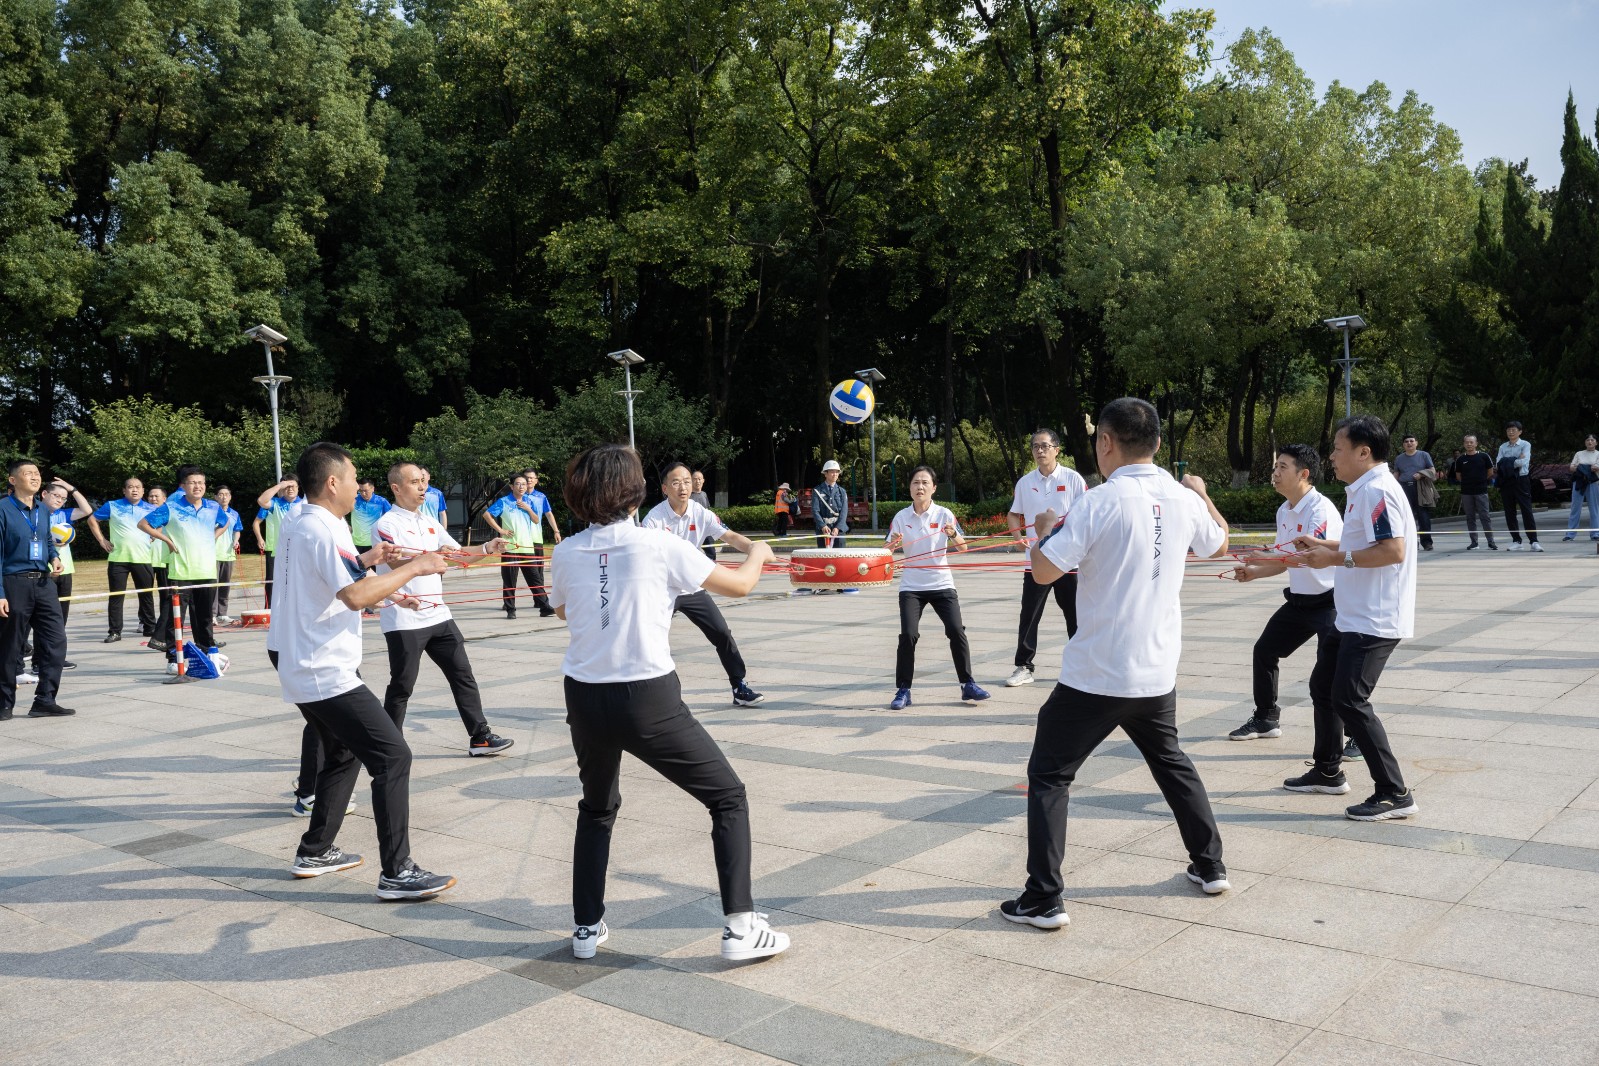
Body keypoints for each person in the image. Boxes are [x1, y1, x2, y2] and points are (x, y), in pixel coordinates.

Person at [549, 443, 789, 961]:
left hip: (584, 698)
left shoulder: (565, 552)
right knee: (727, 797)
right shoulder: (659, 544)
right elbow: (740, 586)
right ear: (635, 493)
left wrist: (606, 595)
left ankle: (586, 928)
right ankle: (741, 928)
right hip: (647, 699)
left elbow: (566, 611)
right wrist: (759, 553)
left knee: (597, 807)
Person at [1001, 399, 1231, 930]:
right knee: (1171, 762)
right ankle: (1210, 864)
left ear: (1106, 442)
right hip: (1156, 670)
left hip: (1098, 673)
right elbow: (1219, 545)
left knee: (1050, 774)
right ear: (1156, 443)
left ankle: (1043, 897)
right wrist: (1203, 495)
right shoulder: (1181, 498)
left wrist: (1044, 529)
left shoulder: (1099, 501)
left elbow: (1043, 571)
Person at [271, 441, 456, 900]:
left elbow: (336, 577)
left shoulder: (301, 522)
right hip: (323, 667)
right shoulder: (323, 528)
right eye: (354, 479)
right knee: (393, 757)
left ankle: (315, 851)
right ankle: (397, 872)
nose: (360, 487)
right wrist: (416, 567)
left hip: (299, 658)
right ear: (333, 482)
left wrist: (371, 564)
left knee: (343, 753)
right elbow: (354, 596)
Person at [1282, 415, 1420, 821]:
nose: (1332, 456)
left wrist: (1334, 558)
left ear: (1364, 452)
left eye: (1338, 449)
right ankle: (1327, 771)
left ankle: (1394, 793)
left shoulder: (1378, 490)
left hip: (1375, 617)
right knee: (1323, 687)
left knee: (1350, 699)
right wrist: (1325, 545)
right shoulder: (1363, 490)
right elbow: (1362, 541)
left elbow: (1393, 550)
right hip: (1352, 615)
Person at [374, 461, 515, 755]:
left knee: (463, 675)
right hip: (405, 618)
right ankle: (388, 747)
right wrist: (432, 555)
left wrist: (487, 548)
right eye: (415, 482)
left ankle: (480, 737)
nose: (422, 487)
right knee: (402, 686)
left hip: (439, 615)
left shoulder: (430, 522)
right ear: (396, 488)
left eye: (424, 481)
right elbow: (396, 563)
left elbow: (458, 555)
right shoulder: (386, 524)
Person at [1225, 445, 1349, 755]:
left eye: (1282, 467)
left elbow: (1308, 557)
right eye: (1275, 466)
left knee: (1332, 672)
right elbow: (1284, 561)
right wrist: (1254, 572)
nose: (1275, 473)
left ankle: (1357, 734)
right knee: (1265, 651)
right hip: (1299, 602)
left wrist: (1261, 557)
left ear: (1303, 474)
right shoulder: (1284, 510)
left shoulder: (1320, 509)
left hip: (1332, 602)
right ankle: (1266, 718)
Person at [643, 462, 766, 707]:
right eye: (676, 482)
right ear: (665, 488)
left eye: (687, 481)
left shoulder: (700, 512)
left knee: (722, 633)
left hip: (692, 587)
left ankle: (739, 686)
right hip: (662, 589)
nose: (683, 487)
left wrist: (754, 548)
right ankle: (650, 696)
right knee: (649, 639)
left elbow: (730, 537)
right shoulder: (653, 520)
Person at [884, 466, 990, 710]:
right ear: (910, 488)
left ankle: (967, 684)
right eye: (915, 482)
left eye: (925, 482)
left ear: (933, 488)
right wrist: (893, 544)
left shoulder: (944, 514)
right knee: (908, 635)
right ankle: (903, 690)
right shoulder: (901, 517)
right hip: (911, 586)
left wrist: (953, 534)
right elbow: (886, 551)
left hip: (941, 583)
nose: (920, 487)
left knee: (956, 630)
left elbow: (963, 547)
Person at [1004, 428, 1086, 688]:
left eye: (1045, 446)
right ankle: (1024, 666)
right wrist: (1017, 536)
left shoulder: (1073, 479)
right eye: (1035, 446)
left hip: (1067, 561)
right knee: (1029, 614)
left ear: (1056, 450)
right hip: (1036, 560)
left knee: (1075, 614)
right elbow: (1014, 514)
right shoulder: (1024, 483)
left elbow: (1086, 514)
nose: (1039, 450)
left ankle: (1082, 665)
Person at [1, 460, 72, 721]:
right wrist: (0, 593)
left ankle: (45, 700)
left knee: (56, 641)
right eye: (28, 473)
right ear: (13, 480)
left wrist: (54, 557)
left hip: (43, 583)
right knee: (10, 646)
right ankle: (4, 703)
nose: (35, 477)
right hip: (14, 583)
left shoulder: (43, 509)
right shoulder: (3, 509)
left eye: (37, 473)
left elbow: (45, 540)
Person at [140, 467, 230, 669]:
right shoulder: (171, 507)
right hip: (181, 572)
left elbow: (225, 523)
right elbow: (144, 524)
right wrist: (166, 540)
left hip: (206, 571)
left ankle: (206, 654)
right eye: (192, 483)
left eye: (201, 483)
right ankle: (174, 659)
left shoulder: (213, 506)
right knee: (176, 620)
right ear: (183, 486)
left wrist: (213, 537)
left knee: (205, 618)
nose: (197, 486)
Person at [17, 480, 91, 682]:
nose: (60, 500)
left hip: (64, 570)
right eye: (56, 496)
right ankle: (21, 662)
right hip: (41, 572)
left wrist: (72, 489)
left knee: (58, 619)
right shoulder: (33, 514)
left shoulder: (63, 515)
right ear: (44, 494)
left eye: (63, 498)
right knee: (31, 620)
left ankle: (47, 660)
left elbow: (87, 510)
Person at [87, 477, 156, 642]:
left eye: (138, 487)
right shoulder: (113, 505)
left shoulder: (151, 508)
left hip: (143, 558)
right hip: (118, 558)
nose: (134, 490)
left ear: (143, 491)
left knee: (146, 595)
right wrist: (101, 540)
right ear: (124, 490)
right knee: (116, 596)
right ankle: (115, 631)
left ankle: (150, 628)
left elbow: (163, 522)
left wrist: (154, 535)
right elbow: (92, 519)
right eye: (130, 487)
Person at [486, 472, 557, 619]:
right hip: (510, 547)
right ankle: (510, 609)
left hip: (527, 547)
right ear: (512, 486)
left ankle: (544, 607)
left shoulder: (529, 501)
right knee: (510, 580)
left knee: (535, 579)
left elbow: (536, 520)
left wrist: (528, 508)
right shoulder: (504, 501)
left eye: (524, 484)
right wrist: (501, 530)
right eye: (518, 484)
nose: (521, 487)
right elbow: (487, 515)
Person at [255, 478, 303, 608]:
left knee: (298, 582)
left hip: (300, 552)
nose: (290, 489)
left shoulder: (305, 504)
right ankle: (271, 608)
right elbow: (261, 501)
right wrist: (279, 485)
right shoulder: (275, 503)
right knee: (275, 582)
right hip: (279, 551)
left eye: (293, 486)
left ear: (298, 487)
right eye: (287, 486)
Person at [1495, 421, 1542, 552]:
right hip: (1506, 481)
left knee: (1527, 511)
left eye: (1513, 430)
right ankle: (1516, 540)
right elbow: (1498, 464)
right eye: (1508, 430)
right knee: (1509, 512)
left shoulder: (1525, 444)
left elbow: (1524, 462)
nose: (1511, 432)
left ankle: (1534, 541)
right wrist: (1514, 460)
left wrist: (1507, 461)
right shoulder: (1502, 446)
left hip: (1521, 480)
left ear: (1520, 432)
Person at [1450, 435, 1498, 550]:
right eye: (1467, 442)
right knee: (1470, 517)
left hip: (1481, 491)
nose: (1469, 444)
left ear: (1476, 443)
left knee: (1485, 516)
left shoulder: (1484, 456)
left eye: (1471, 442)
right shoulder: (1460, 459)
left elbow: (1490, 472)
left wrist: (1481, 481)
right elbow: (1458, 476)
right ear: (1464, 444)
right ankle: (1474, 542)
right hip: (1466, 492)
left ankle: (1491, 541)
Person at [1393, 434, 1437, 551]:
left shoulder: (1424, 455)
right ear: (1403, 445)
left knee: (1423, 516)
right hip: (1404, 488)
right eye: (1406, 441)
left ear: (1416, 443)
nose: (1409, 443)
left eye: (1412, 441)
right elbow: (1396, 474)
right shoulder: (1399, 458)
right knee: (1406, 517)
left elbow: (1432, 470)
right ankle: (1411, 543)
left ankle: (1427, 543)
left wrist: (1421, 474)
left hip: (1420, 487)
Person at [145, 486, 174, 656]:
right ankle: (152, 629)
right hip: (147, 559)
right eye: (151, 496)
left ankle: (162, 634)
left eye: (157, 496)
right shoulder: (146, 514)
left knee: (168, 598)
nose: (153, 499)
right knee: (149, 595)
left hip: (165, 560)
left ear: (164, 498)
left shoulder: (167, 512)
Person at [212, 485, 244, 623]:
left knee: (225, 585)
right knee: (213, 585)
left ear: (230, 497)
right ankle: (212, 614)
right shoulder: (211, 512)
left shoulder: (234, 514)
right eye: (221, 494)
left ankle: (222, 613)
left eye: (226, 494)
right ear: (215, 497)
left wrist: (236, 540)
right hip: (213, 554)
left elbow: (237, 530)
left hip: (228, 554)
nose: (224, 497)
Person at [1564, 434, 1599, 542]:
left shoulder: (1598, 454)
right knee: (1575, 508)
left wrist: (1581, 467)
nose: (1590, 442)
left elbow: (1596, 468)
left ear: (1596, 442)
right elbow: (1572, 467)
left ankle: (1595, 533)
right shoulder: (1579, 453)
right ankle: (1570, 534)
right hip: (1578, 482)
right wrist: (1586, 467)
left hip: (1592, 482)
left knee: (1594, 509)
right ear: (1585, 442)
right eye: (1588, 440)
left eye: (1592, 440)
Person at [350, 477, 392, 558]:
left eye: (365, 491)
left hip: (374, 543)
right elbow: (339, 510)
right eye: (360, 491)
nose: (363, 493)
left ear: (372, 489)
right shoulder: (354, 499)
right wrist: (345, 525)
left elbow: (391, 519)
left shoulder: (381, 501)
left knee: (374, 566)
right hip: (355, 543)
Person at [812, 460, 848, 549]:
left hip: (838, 530)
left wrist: (838, 528)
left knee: (839, 555)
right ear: (825, 473)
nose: (835, 474)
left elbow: (844, 512)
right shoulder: (817, 490)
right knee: (823, 556)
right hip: (823, 529)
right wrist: (822, 525)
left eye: (837, 472)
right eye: (832, 472)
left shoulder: (842, 492)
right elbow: (815, 510)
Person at [691, 470, 716, 561]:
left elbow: (707, 509)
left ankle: (712, 567)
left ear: (703, 480)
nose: (697, 481)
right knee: (692, 552)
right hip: (693, 529)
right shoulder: (687, 496)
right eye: (695, 479)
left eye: (699, 479)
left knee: (711, 552)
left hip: (706, 527)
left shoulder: (704, 494)